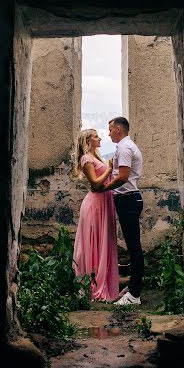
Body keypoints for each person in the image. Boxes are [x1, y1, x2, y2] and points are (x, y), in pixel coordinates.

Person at [92, 117, 144, 305]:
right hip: (130, 198)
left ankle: (134, 295)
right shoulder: (127, 146)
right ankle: (132, 288)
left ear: (119, 129)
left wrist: (103, 189)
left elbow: (122, 178)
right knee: (133, 246)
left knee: (134, 247)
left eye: (111, 130)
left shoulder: (123, 148)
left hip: (128, 199)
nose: (108, 133)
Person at [72, 129, 119, 302]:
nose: (99, 138)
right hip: (95, 204)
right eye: (96, 136)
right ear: (88, 141)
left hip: (104, 202)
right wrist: (110, 169)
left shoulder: (97, 157)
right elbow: (95, 183)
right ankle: (93, 285)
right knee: (94, 242)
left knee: (102, 241)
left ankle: (103, 281)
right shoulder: (86, 159)